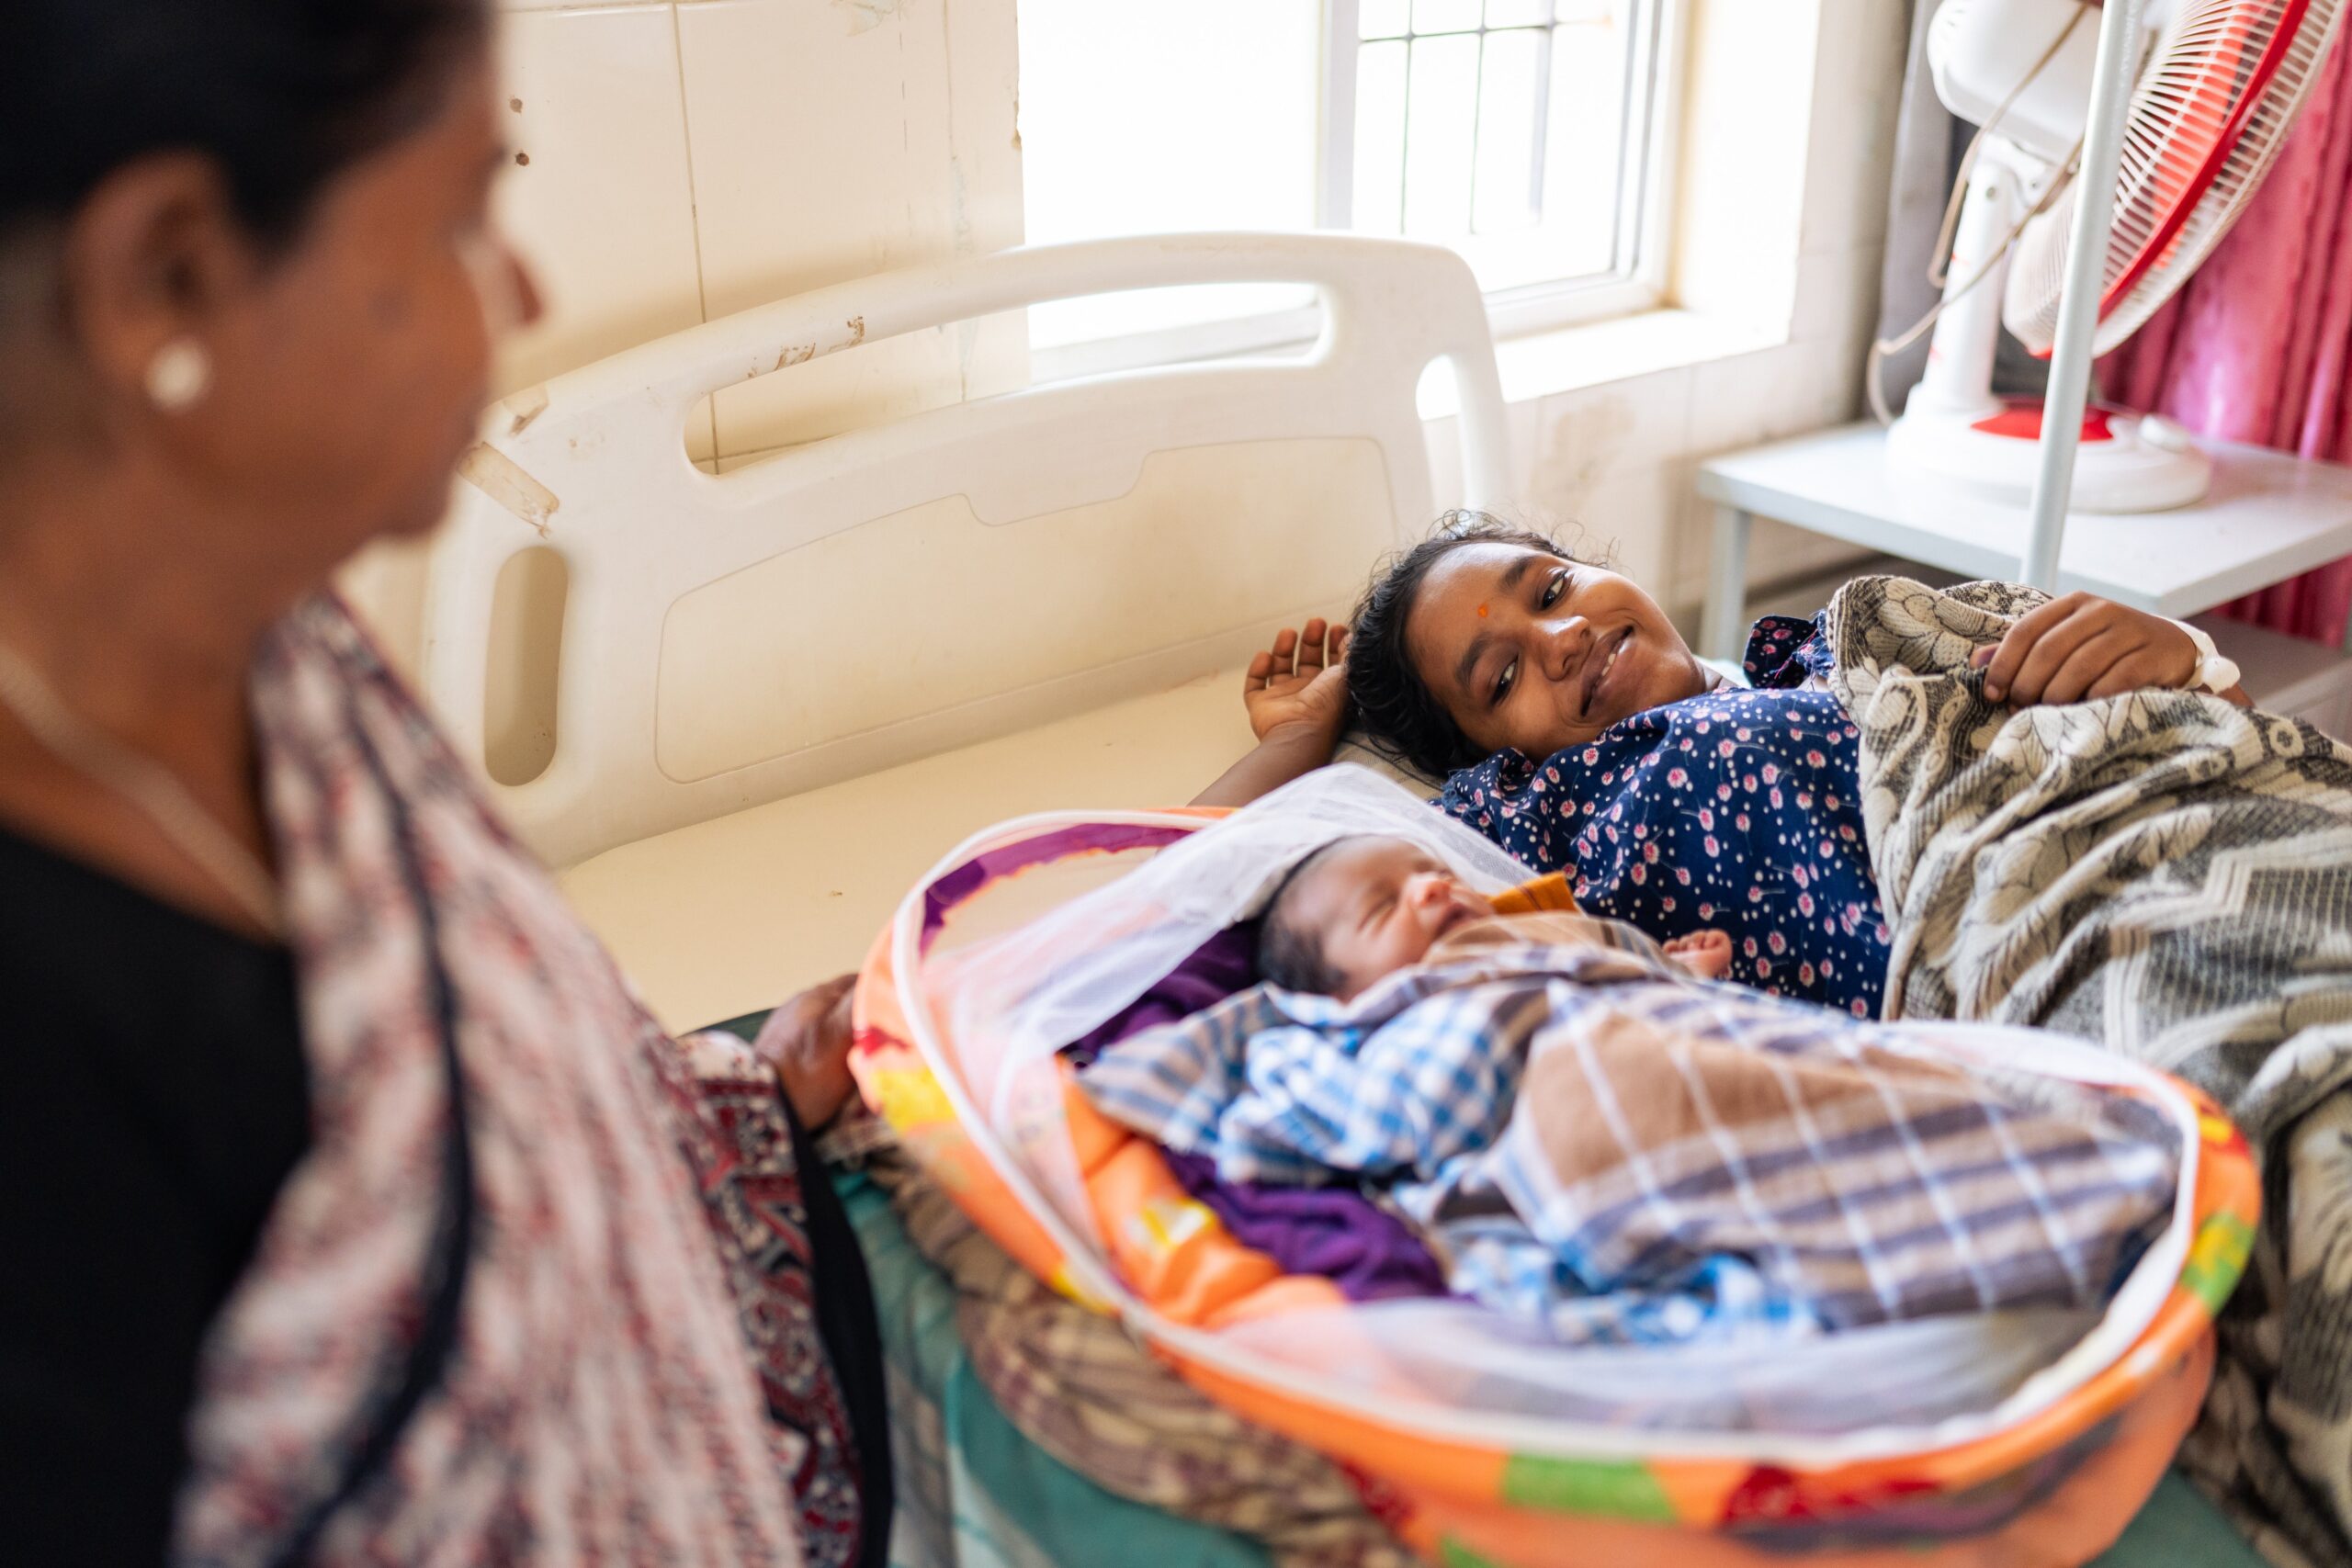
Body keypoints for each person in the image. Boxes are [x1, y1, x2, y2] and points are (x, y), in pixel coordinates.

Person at [0, 5, 884, 1563]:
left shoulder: (270, 630)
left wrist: (728, 1108)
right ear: (171, 274)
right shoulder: (52, 1047)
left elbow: (479, 1054)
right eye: (467, 212)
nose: (525, 287)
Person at [1200, 514, 2249, 1016]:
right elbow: (1160, 885)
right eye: (1500, 675)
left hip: (2197, 841)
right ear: (1488, 762)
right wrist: (1306, 736)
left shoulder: (1850, 635)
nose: (1559, 637)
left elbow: (2221, 730)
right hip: (2053, 972)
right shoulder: (1531, 827)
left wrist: (2179, 657)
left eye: (1554, 587)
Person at [1253, 834, 1731, 1001]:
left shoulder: (1543, 935)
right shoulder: (1387, 1024)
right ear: (1337, 998)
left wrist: (1677, 972)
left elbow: (1616, 962)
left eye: (1438, 872)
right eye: (1380, 906)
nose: (1433, 886)